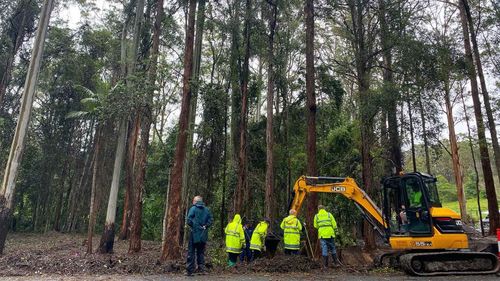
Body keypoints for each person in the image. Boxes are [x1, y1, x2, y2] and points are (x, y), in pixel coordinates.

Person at [185, 195, 213, 276]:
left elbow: (189, 220)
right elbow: (211, 219)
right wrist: (205, 226)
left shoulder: (193, 208)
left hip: (194, 233)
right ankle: (202, 269)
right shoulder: (207, 210)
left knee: (191, 251)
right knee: (201, 252)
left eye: (193, 200)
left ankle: (190, 270)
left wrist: (194, 226)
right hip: (203, 234)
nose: (192, 202)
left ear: (196, 201)